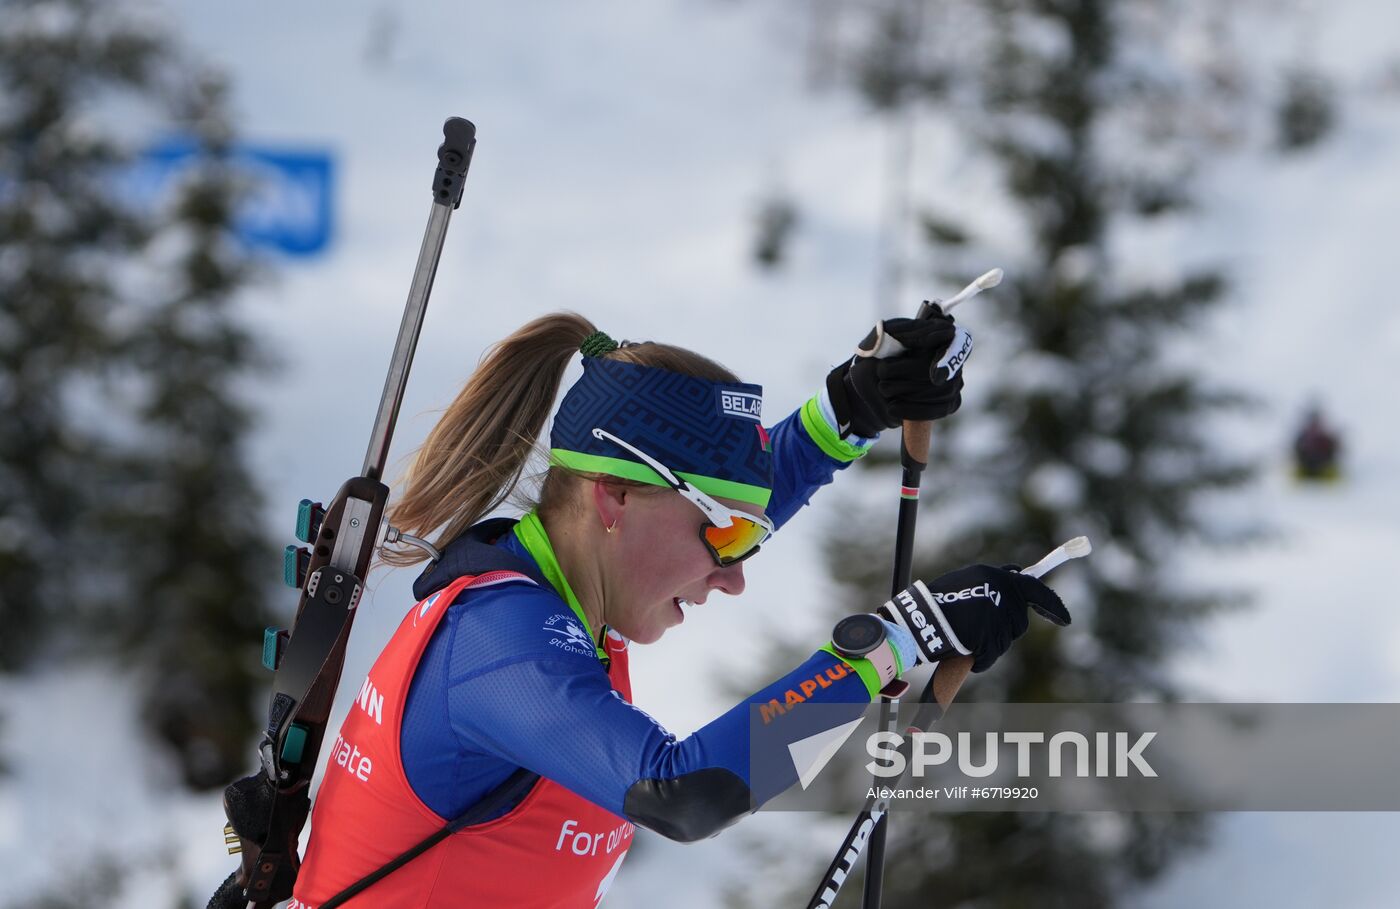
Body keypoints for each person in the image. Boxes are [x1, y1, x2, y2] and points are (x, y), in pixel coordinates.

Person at [288, 311, 1069, 908]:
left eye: (749, 541)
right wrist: (895, 642)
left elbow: (733, 489)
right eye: (724, 537)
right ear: (615, 497)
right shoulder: (501, 642)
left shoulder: (561, 600)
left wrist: (852, 408)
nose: (731, 576)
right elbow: (685, 792)